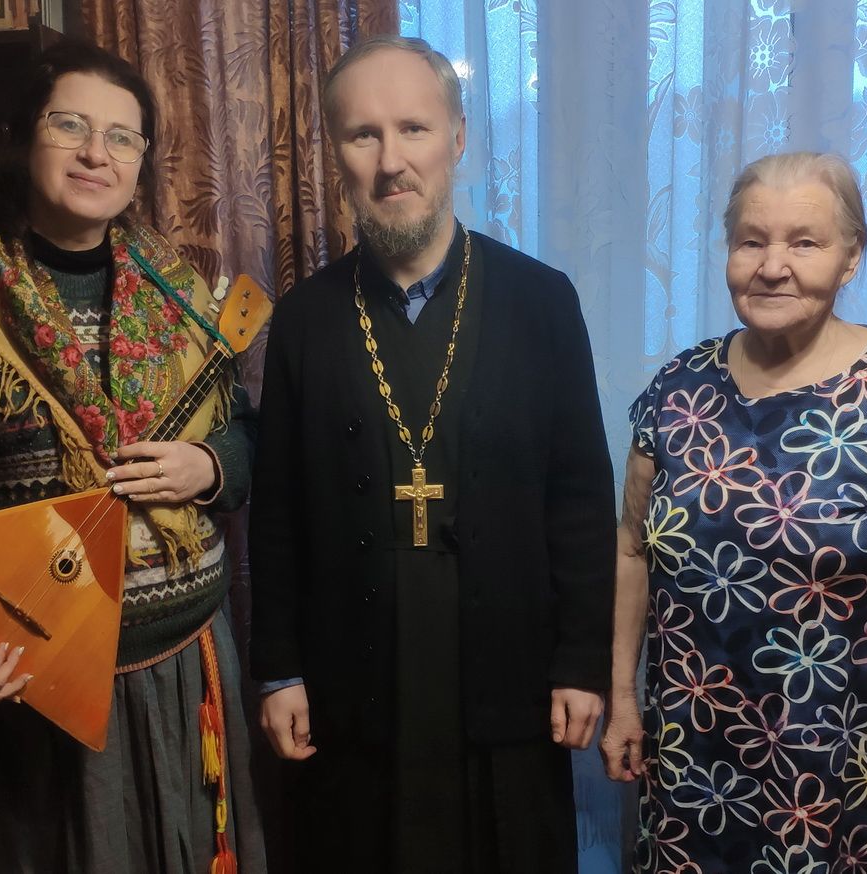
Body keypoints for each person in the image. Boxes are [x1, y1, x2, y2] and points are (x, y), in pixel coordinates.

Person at [0, 41, 266, 874]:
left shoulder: (178, 289)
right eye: (69, 125)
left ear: (141, 162)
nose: (95, 153)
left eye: (122, 136)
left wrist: (210, 467)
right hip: (35, 689)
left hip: (190, 673)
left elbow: (242, 435)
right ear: (23, 136)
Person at [249, 34, 617, 874]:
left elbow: (580, 499)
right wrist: (278, 672)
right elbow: (277, 514)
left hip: (509, 675)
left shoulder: (542, 300)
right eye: (363, 134)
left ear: (458, 138)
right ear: (336, 153)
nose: (391, 161)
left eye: (413, 128)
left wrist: (581, 661)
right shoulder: (304, 318)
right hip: (352, 682)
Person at [600, 152, 867, 873]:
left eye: (805, 242)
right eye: (751, 241)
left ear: (851, 258)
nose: (773, 266)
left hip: (855, 761)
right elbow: (632, 549)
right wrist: (623, 697)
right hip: (695, 756)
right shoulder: (678, 389)